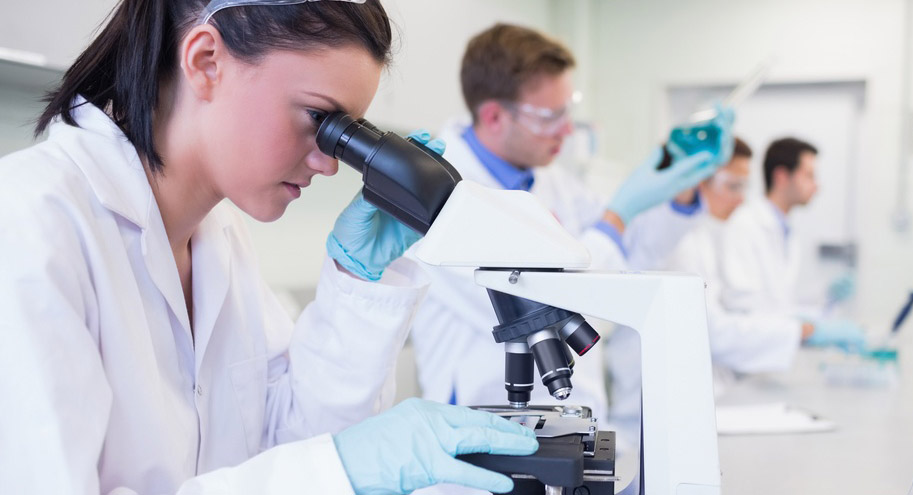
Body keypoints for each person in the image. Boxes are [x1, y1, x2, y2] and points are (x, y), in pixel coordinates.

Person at [0, 1, 540, 494]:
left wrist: (357, 280)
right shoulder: (30, 224)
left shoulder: (221, 237)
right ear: (207, 60)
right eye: (318, 120)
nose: (329, 162)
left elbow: (290, 442)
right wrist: (342, 468)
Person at [407, 23, 732, 420]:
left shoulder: (551, 179)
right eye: (550, 116)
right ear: (493, 116)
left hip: (572, 416)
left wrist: (679, 183)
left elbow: (632, 251)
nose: (566, 129)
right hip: (483, 423)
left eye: (568, 109)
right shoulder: (441, 197)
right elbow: (545, 299)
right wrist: (618, 213)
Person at [719, 137, 865, 352]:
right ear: (781, 176)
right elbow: (745, 311)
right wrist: (809, 331)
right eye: (809, 175)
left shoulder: (785, 230)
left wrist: (827, 295)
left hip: (766, 357)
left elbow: (781, 302)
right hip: (744, 362)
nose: (816, 185)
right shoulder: (744, 225)